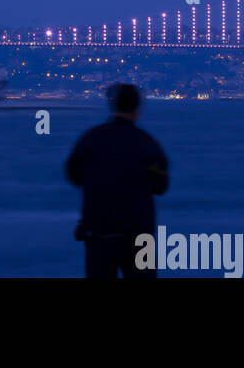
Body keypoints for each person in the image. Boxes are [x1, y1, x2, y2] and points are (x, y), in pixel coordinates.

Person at [64, 84, 169, 278]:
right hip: (139, 236)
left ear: (113, 106)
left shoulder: (91, 140)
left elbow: (73, 173)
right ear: (137, 109)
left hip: (100, 234)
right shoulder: (147, 144)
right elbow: (161, 186)